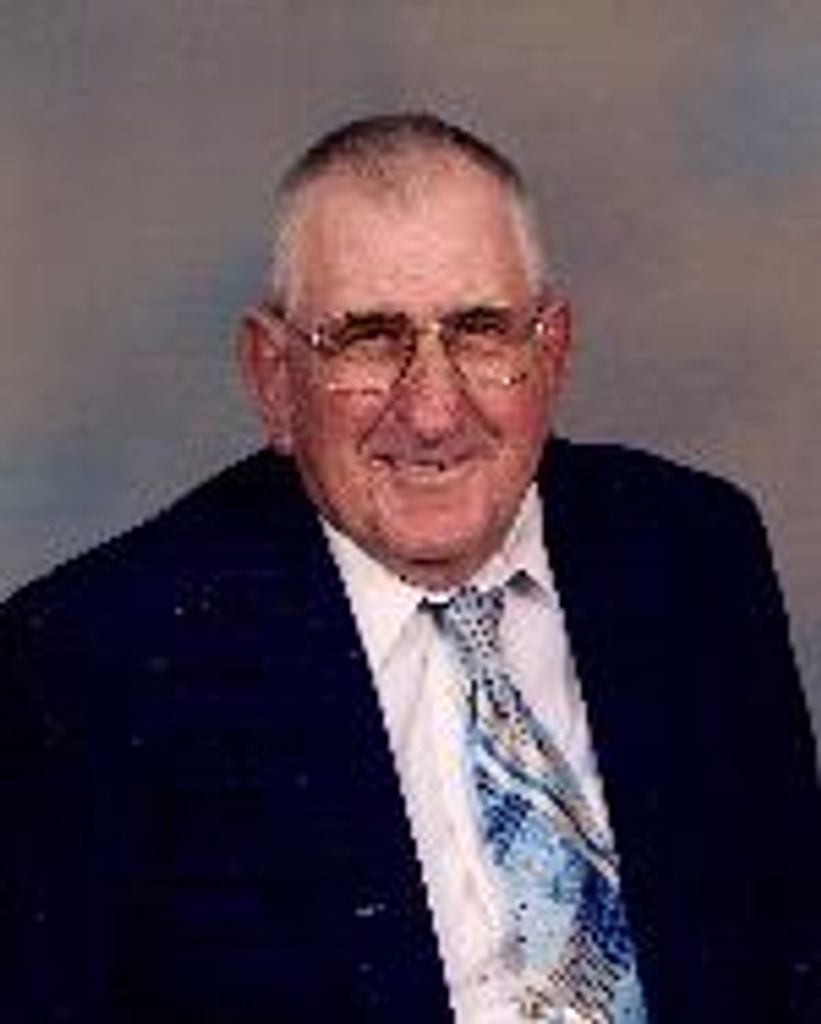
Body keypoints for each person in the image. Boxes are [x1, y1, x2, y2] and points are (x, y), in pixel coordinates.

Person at [0, 113, 818, 1023]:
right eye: (368, 340)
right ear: (272, 377)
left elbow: (793, 952)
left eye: (479, 332)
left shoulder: (690, 550)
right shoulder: (97, 657)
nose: (432, 411)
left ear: (549, 351)